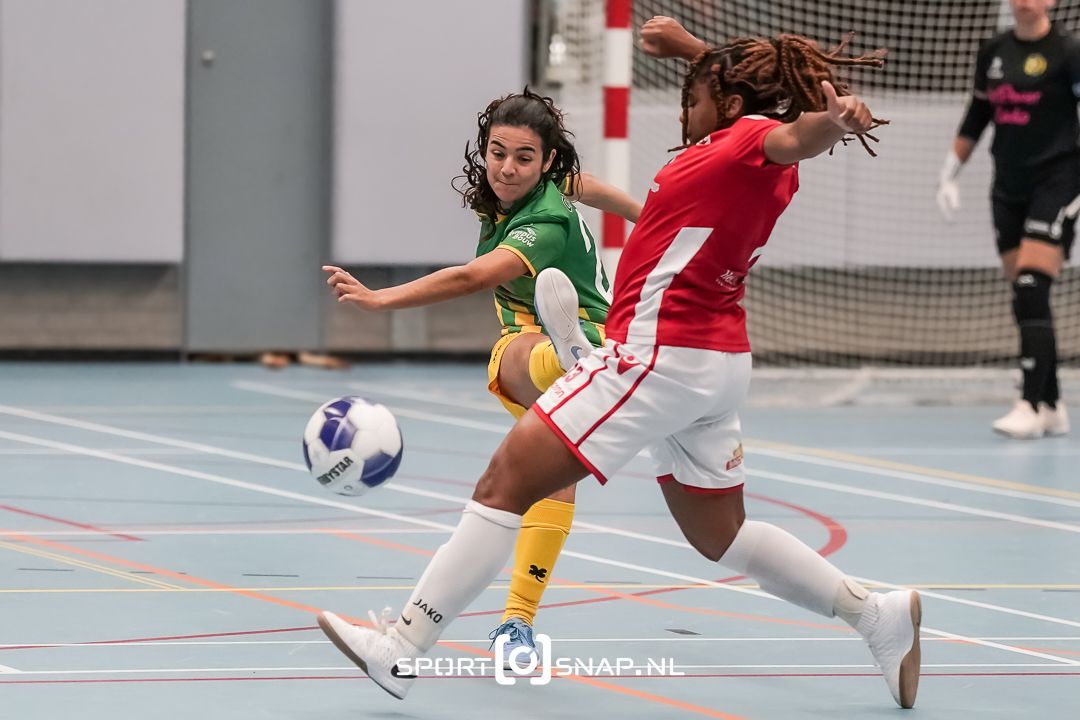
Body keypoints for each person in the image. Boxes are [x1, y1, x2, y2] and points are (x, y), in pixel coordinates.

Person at [318, 30, 924, 710]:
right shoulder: (741, 145)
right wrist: (687, 50)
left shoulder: (748, 143)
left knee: (504, 482)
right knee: (720, 536)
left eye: (691, 99)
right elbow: (751, 103)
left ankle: (400, 648)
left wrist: (833, 122)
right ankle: (877, 615)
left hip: (657, 356)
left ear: (724, 105)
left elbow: (792, 135)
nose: (681, 111)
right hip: (717, 360)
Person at [323, 88, 641, 662]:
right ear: (485, 149)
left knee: (512, 358)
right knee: (547, 482)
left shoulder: (542, 222)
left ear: (545, 160)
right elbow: (587, 185)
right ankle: (515, 625)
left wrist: (378, 301)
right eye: (498, 153)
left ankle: (561, 357)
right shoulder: (536, 187)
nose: (506, 168)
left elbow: (471, 278)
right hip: (608, 354)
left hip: (575, 345)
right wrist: (652, 218)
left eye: (523, 158)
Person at [937, 0, 1078, 438]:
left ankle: (1030, 403)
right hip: (1008, 186)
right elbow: (979, 114)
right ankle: (1052, 404)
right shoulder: (993, 50)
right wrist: (949, 172)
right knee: (1023, 295)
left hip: (1057, 179)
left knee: (1033, 285)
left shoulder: (1069, 51)